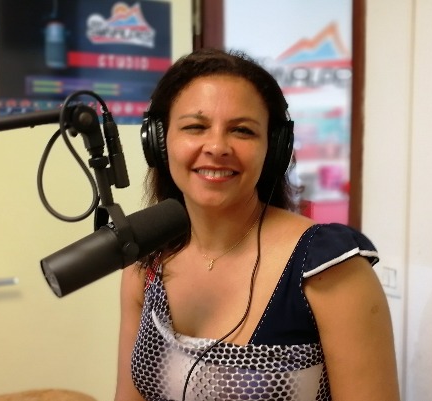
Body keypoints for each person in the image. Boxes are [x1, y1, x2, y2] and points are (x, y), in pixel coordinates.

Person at [115, 48, 400, 401]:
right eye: (195, 127)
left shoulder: (329, 268)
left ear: (274, 149)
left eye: (242, 130)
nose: (217, 146)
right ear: (159, 142)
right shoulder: (147, 261)